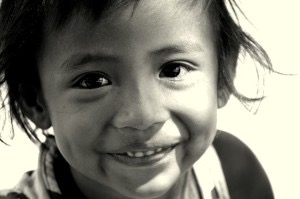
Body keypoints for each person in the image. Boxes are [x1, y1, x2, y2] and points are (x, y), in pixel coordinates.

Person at [0, 0, 274, 198]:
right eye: (93, 81)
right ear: (35, 101)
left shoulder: (230, 173)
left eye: (172, 70)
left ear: (223, 75)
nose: (143, 117)